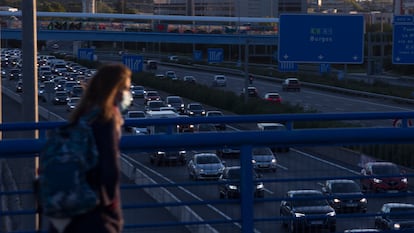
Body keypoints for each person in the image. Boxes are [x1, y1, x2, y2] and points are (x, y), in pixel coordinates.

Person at [49, 63, 132, 233]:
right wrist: (112, 210)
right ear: (115, 90)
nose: (128, 95)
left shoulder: (83, 114)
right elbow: (109, 171)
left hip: (67, 208)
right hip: (91, 211)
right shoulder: (105, 119)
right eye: (126, 89)